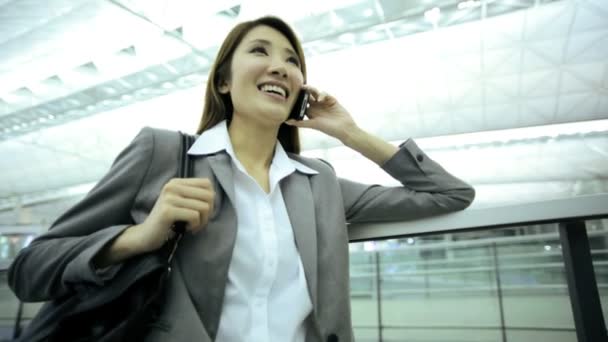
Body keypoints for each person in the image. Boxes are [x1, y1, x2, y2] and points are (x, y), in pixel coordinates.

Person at [8, 16, 475, 342]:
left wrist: (350, 133)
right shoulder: (163, 155)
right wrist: (138, 237)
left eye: (292, 61)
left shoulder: (319, 184)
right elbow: (30, 271)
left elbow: (449, 194)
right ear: (224, 82)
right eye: (259, 51)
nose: (280, 66)